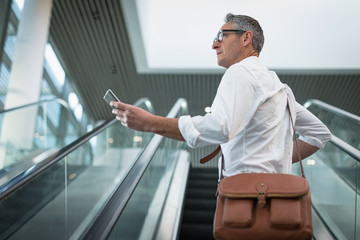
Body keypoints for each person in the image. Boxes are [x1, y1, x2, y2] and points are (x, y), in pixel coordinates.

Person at [111, 13, 331, 178]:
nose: (214, 44)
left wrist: (149, 122)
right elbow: (319, 134)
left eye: (221, 36)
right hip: (276, 199)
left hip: (247, 199)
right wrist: (274, 161)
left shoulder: (241, 71)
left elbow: (220, 128)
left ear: (246, 38)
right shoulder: (279, 89)